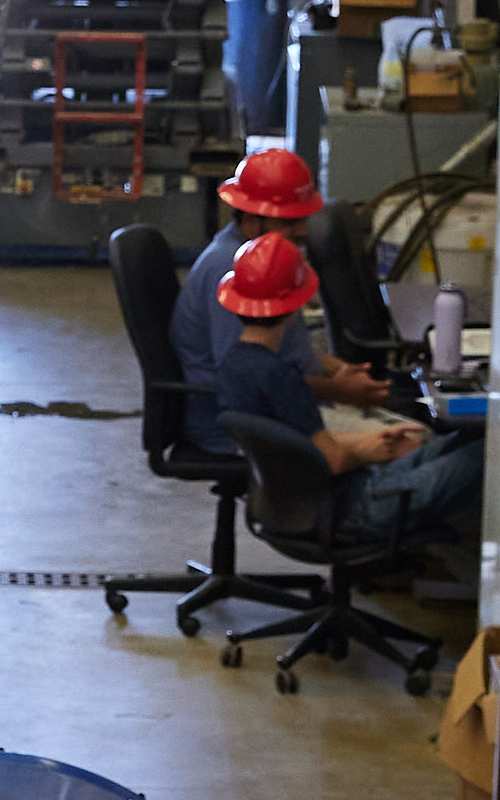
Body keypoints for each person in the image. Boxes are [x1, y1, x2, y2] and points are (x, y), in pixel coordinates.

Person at [208, 232, 477, 551]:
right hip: (351, 508)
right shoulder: (284, 378)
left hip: (300, 502)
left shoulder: (232, 364)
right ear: (294, 307)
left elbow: (292, 445)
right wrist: (369, 450)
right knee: (486, 455)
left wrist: (375, 440)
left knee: (461, 443)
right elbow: (333, 461)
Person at [182, 142, 389, 407]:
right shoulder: (232, 270)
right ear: (251, 221)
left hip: (281, 406)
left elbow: (280, 350)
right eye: (289, 222)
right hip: (240, 427)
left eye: (303, 219)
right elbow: (246, 379)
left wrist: (337, 369)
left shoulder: (266, 262)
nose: (303, 232)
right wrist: (337, 391)